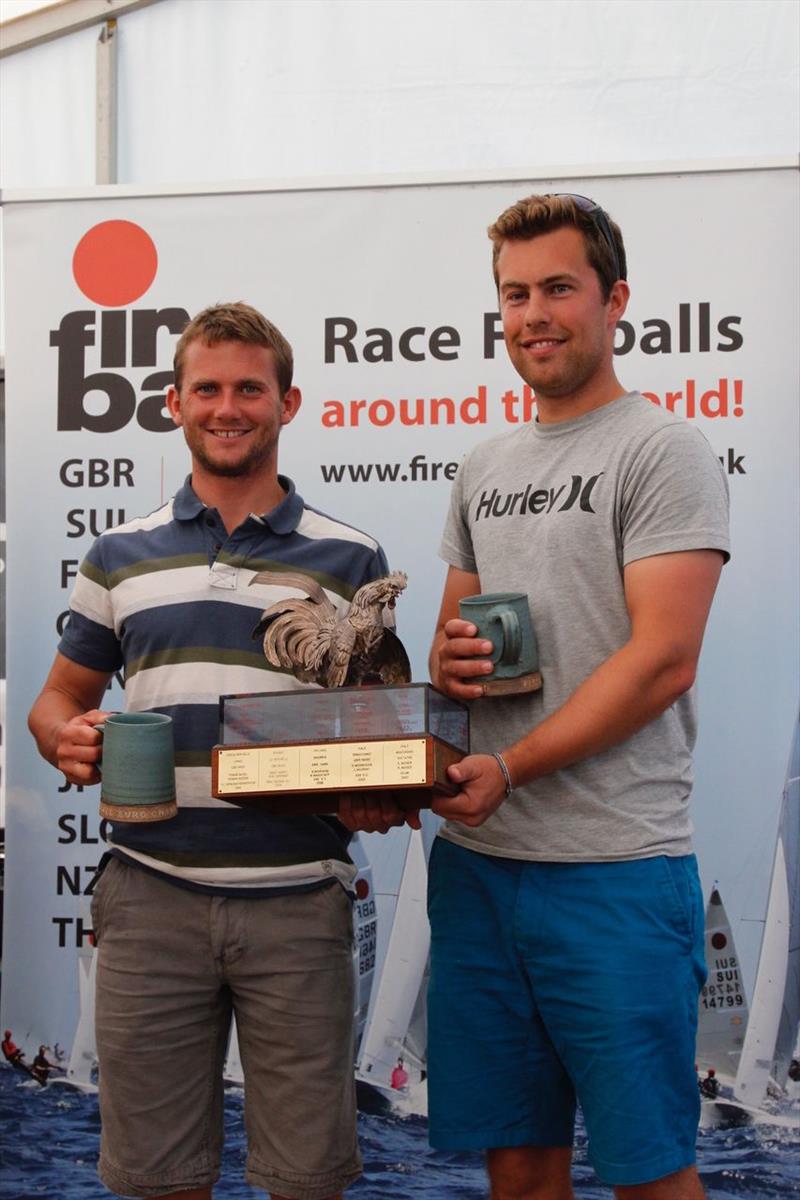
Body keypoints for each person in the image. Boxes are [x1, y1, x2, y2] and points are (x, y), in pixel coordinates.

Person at [29, 302, 408, 1200]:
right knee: (156, 1182)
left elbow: (383, 734)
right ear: (174, 402)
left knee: (307, 1182)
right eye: (208, 388)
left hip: (299, 904)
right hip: (148, 898)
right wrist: (67, 740)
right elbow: (58, 701)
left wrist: (380, 791)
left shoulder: (352, 558)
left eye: (250, 388)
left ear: (289, 403)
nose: (228, 406)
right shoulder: (117, 556)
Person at [427, 195, 730, 1200]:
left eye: (557, 287)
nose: (532, 313)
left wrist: (508, 766)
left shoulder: (661, 448)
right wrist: (448, 671)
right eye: (513, 294)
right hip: (478, 871)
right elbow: (448, 645)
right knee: (516, 1168)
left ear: (614, 301)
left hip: (611, 872)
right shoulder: (482, 465)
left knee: (649, 1173)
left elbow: (661, 662)